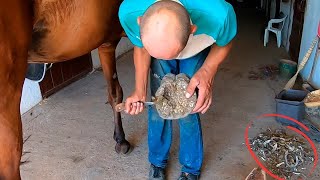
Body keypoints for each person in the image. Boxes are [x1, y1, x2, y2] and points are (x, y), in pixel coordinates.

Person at [118, 0, 237, 179]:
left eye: (170, 55)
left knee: (187, 105)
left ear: (192, 30)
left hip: (195, 47)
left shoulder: (219, 14)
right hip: (165, 41)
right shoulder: (129, 11)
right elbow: (141, 47)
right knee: (158, 106)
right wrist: (139, 89)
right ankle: (157, 161)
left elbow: (226, 40)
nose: (166, 60)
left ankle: (191, 167)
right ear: (140, 21)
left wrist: (207, 71)